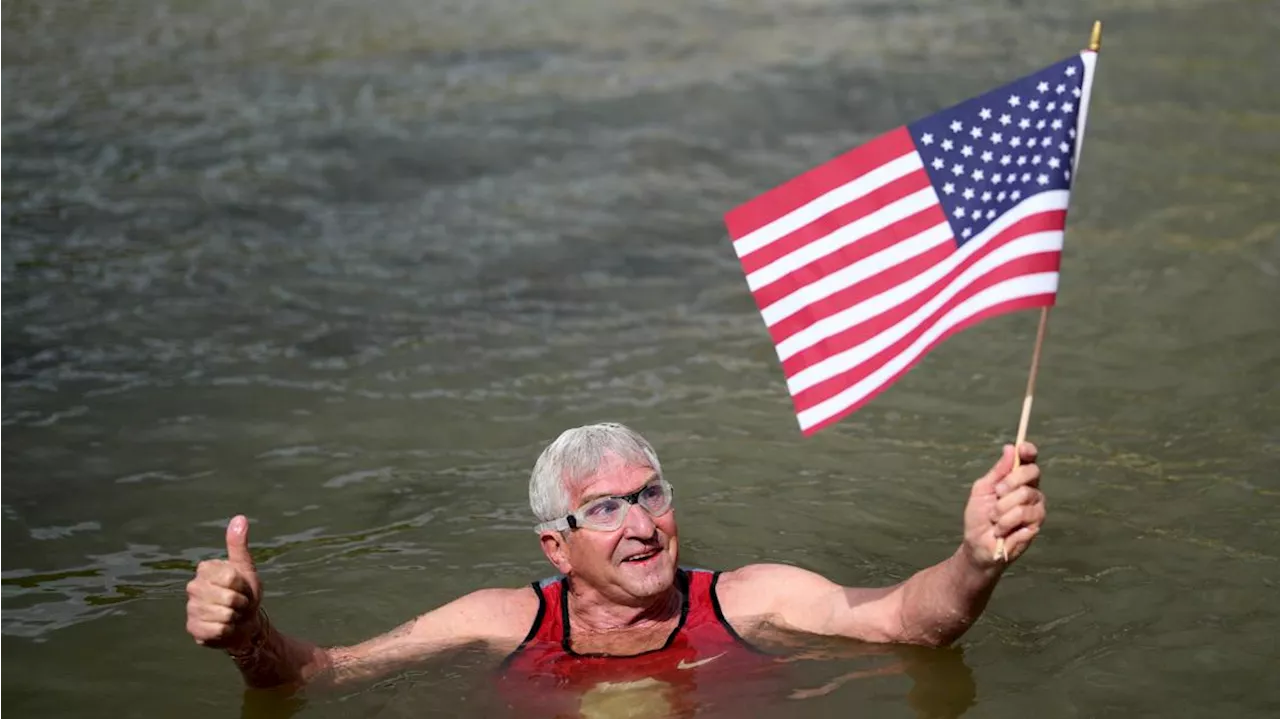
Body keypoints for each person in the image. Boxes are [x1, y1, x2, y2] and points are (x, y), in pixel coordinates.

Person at [185, 422, 1044, 705]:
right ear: (555, 546)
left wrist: (974, 558)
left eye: (652, 494)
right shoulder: (498, 619)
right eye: (605, 507)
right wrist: (249, 634)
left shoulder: (749, 597)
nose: (642, 523)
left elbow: (907, 622)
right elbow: (321, 676)